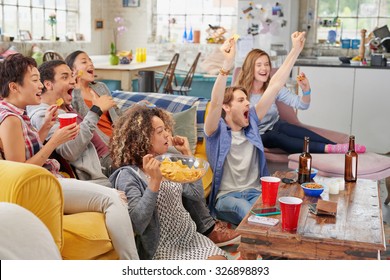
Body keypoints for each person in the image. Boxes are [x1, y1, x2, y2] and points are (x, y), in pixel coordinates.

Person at [0, 53, 139, 260]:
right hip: (43, 185)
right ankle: (132, 266)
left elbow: (25, 152)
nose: (40, 86)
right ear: (14, 87)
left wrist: (45, 129)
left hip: (50, 179)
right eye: (35, 80)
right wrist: (54, 141)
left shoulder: (16, 113)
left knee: (117, 197)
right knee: (113, 200)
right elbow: (21, 170)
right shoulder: (10, 119)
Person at [204, 32, 306, 225]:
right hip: (227, 198)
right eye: (241, 101)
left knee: (281, 212)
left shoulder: (251, 123)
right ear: (227, 107)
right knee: (250, 212)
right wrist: (226, 67)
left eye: (247, 101)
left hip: (254, 191)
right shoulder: (215, 132)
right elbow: (216, 102)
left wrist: (295, 50)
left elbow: (275, 85)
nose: (247, 105)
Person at [109, 104, 228, 260]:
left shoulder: (170, 163)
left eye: (166, 129)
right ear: (142, 138)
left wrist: (187, 154)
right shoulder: (129, 176)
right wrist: (154, 182)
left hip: (190, 237)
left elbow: (196, 195)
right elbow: (137, 224)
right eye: (160, 131)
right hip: (161, 247)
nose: (167, 135)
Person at [235, 49, 366, 154]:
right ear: (250, 68)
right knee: (275, 137)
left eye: (266, 64)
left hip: (275, 125)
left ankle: (338, 147)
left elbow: (302, 105)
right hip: (257, 134)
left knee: (293, 130)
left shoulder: (273, 87)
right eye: (259, 65)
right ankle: (328, 149)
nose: (264, 68)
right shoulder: (240, 93)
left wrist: (306, 91)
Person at [27, 60, 115, 185]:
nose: (73, 81)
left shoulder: (64, 104)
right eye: (65, 77)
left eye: (72, 75)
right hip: (102, 166)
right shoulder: (42, 115)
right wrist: (96, 110)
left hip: (109, 155)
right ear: (48, 84)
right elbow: (70, 152)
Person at [65, 50, 122, 147]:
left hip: (120, 136)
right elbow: (83, 120)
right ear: (72, 70)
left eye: (90, 61)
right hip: (105, 145)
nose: (91, 64)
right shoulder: (71, 94)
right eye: (84, 62)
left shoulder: (101, 86)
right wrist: (77, 88)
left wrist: (136, 108)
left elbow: (117, 113)